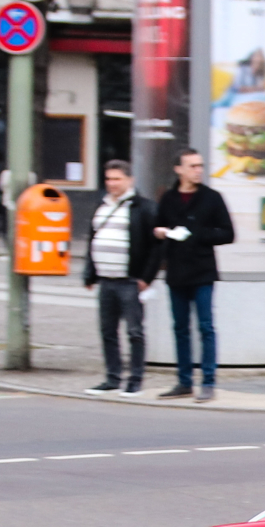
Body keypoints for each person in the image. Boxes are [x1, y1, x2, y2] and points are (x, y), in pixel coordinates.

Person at [151, 148, 234, 402]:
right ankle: (184, 381)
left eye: (200, 166)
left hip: (202, 270)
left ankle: (208, 381)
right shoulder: (169, 198)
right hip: (176, 271)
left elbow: (227, 233)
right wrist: (162, 232)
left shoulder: (212, 197)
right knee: (180, 328)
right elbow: (157, 226)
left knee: (206, 326)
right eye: (192, 166)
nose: (198, 170)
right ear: (179, 169)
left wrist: (198, 234)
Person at [82, 160, 154, 396]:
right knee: (107, 331)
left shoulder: (143, 208)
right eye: (109, 179)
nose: (112, 184)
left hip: (129, 280)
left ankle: (135, 380)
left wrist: (146, 277)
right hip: (106, 279)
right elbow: (92, 241)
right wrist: (90, 274)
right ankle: (112, 378)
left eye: (117, 179)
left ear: (129, 180)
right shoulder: (100, 206)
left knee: (134, 331)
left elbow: (155, 247)